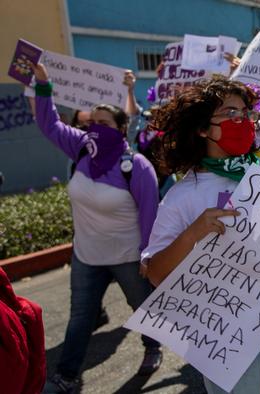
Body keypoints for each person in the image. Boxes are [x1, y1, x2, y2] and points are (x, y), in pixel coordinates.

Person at [141, 1, 260, 392]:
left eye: (246, 114)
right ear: (203, 129)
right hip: (226, 323)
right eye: (231, 114)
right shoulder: (184, 196)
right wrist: (194, 234)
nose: (244, 122)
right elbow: (154, 272)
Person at [30, 63, 162, 394]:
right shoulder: (81, 149)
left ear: (121, 128)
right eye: (92, 122)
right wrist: (43, 84)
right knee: (79, 318)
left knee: (141, 308)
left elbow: (150, 215)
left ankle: (153, 347)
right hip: (86, 256)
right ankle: (67, 376)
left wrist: (149, 257)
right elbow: (49, 124)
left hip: (127, 256)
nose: (94, 128)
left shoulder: (137, 167)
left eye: (104, 123)